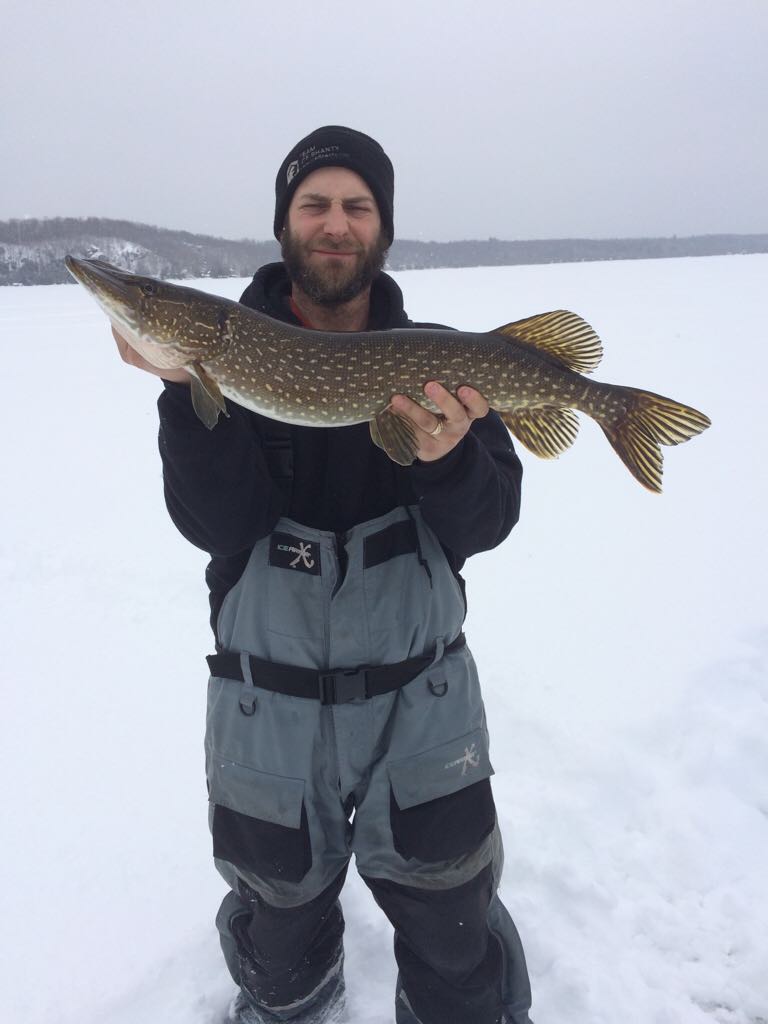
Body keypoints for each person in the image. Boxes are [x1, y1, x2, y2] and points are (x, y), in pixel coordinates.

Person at [113, 126, 533, 1024]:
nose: (334, 224)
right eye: (314, 205)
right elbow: (215, 527)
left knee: (454, 920)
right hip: (269, 712)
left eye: (356, 206)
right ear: (283, 226)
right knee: (278, 924)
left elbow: (491, 523)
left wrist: (450, 460)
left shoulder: (440, 354)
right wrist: (181, 391)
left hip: (423, 704)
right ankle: (293, 997)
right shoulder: (224, 357)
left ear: (381, 229)